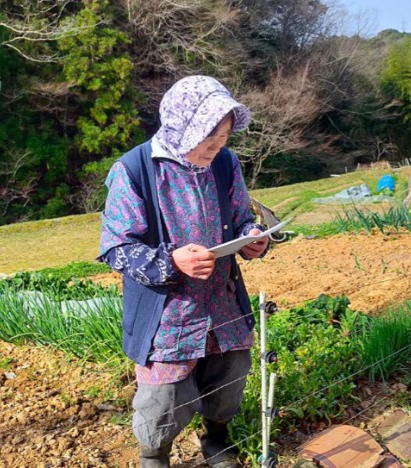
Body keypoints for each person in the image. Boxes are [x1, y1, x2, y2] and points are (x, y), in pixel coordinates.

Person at [98, 76, 269, 468]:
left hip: (223, 304)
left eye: (224, 138)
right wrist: (172, 260)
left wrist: (253, 238)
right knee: (163, 399)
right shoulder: (136, 170)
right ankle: (154, 455)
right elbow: (116, 248)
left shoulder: (225, 163)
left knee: (228, 377)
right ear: (182, 127)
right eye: (209, 139)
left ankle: (216, 441)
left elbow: (243, 217)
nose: (217, 148)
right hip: (170, 313)